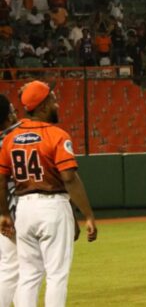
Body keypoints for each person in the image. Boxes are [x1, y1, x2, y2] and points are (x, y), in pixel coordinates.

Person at [0, 80, 98, 307]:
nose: (57, 104)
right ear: (42, 106)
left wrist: (4, 213)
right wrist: (88, 215)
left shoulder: (11, 138)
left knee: (28, 275)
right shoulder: (56, 134)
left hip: (23, 209)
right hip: (52, 205)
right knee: (56, 275)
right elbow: (69, 178)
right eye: (53, 100)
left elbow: (2, 180)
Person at [0, 94, 19, 307]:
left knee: (10, 267)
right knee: (17, 268)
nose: (16, 115)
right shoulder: (9, 141)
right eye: (13, 111)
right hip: (9, 211)